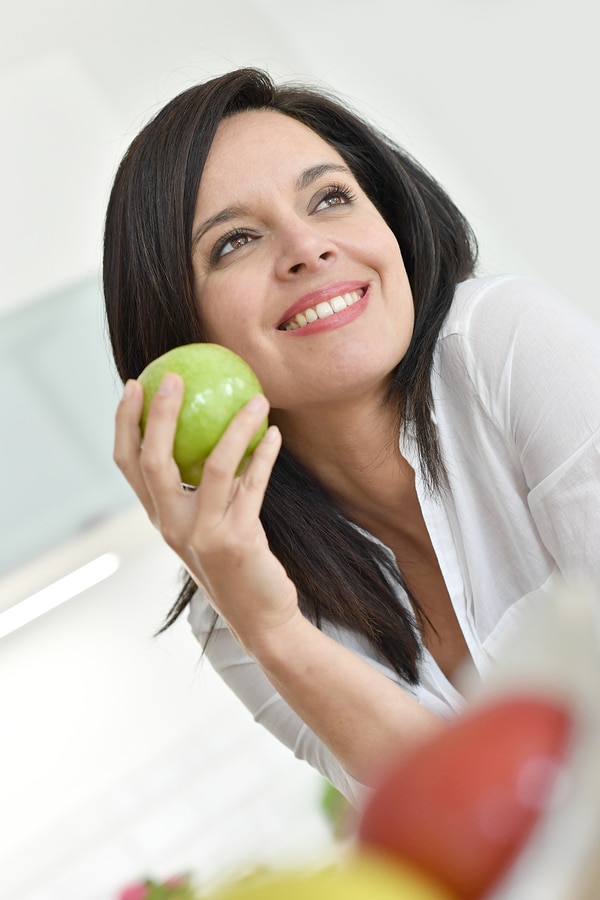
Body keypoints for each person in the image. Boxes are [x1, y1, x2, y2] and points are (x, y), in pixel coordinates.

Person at [103, 67, 600, 807]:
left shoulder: (506, 344)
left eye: (331, 198)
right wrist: (271, 627)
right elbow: (456, 830)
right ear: (180, 330)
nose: (308, 247)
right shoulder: (231, 603)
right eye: (235, 241)